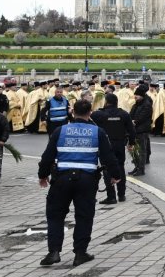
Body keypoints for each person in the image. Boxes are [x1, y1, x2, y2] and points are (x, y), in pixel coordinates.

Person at [38, 99, 119, 267]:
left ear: (72, 112)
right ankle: (80, 253)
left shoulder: (60, 131)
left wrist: (43, 175)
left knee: (55, 215)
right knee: (84, 216)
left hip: (61, 179)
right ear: (90, 113)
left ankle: (53, 252)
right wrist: (115, 175)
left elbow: (47, 156)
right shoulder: (98, 132)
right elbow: (108, 157)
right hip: (86, 181)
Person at [91, 93, 136, 205]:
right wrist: (131, 143)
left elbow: (88, 119)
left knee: (107, 169)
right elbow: (132, 130)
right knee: (120, 168)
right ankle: (121, 195)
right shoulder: (124, 114)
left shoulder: (99, 114)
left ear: (106, 102)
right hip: (120, 145)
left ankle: (111, 197)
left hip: (105, 146)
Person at [129, 84, 152, 176]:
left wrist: (134, 121)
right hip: (134, 130)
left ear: (141, 95)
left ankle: (141, 169)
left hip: (142, 130)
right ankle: (136, 166)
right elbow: (131, 114)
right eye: (135, 95)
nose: (135, 96)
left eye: (137, 95)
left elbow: (142, 117)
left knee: (142, 151)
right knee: (133, 150)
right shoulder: (136, 104)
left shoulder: (147, 104)